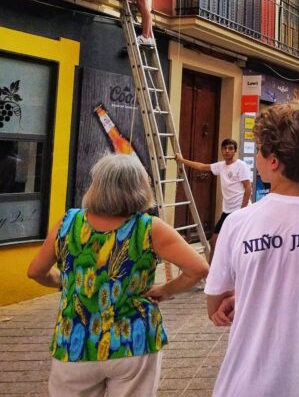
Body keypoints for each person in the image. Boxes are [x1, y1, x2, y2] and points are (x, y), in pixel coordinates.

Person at [205, 101, 299, 397]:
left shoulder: (237, 224)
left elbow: (215, 308)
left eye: (258, 148)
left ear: (273, 160)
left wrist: (243, 296)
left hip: (245, 382)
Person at [27, 154, 208, 396]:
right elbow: (198, 268)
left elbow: (36, 271)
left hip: (75, 342)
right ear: (139, 187)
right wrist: (165, 291)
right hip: (134, 342)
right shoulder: (149, 227)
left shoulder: (68, 222)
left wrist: (63, 281)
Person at [175, 139, 251, 261]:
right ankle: (212, 271)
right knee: (214, 240)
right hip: (227, 211)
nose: (227, 151)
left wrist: (243, 209)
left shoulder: (240, 165)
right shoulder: (221, 166)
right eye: (224, 148)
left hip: (239, 211)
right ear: (221, 150)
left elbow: (248, 187)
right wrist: (182, 161)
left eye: (230, 148)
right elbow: (201, 166)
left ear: (235, 151)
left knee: (239, 244)